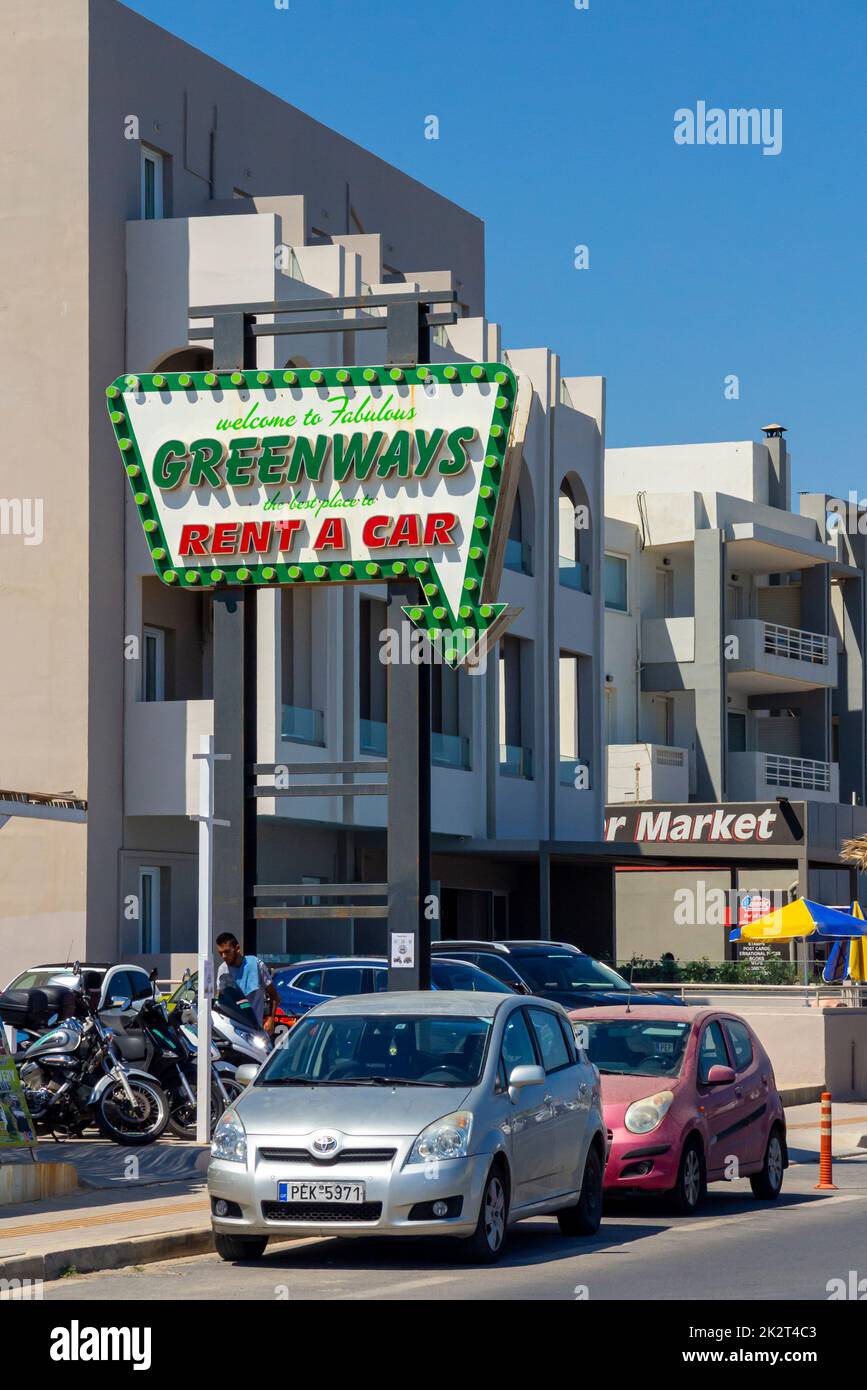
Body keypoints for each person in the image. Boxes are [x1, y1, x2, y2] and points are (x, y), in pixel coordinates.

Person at [214, 933, 279, 1033]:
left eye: (227, 952)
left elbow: (274, 996)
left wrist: (271, 1019)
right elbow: (220, 998)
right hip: (233, 1029)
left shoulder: (256, 965)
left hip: (254, 1028)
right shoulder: (222, 969)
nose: (223, 956)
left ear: (237, 948)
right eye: (220, 953)